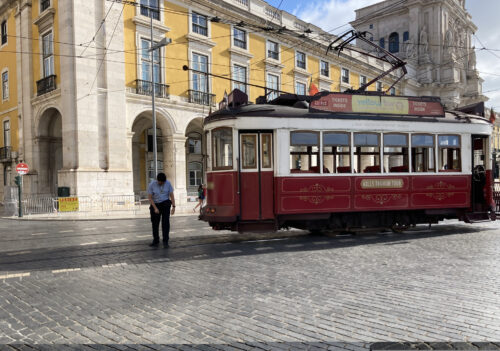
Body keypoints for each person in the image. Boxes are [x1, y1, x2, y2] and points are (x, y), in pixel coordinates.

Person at [147, 172, 175, 248]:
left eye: (163, 182)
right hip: (155, 204)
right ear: (157, 180)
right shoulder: (152, 184)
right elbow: (150, 198)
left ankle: (165, 241)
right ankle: (156, 240)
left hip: (165, 204)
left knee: (165, 223)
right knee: (155, 223)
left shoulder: (168, 183)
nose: (161, 183)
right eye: (160, 182)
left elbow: (171, 195)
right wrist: (155, 208)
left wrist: (173, 206)